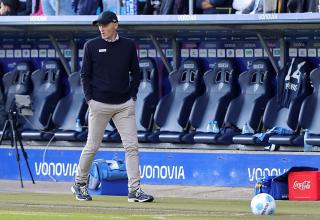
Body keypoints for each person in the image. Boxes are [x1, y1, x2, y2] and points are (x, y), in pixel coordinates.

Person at [71, 11, 154, 203]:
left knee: (132, 147)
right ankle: (79, 183)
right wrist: (90, 100)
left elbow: (136, 73)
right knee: (92, 146)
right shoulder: (91, 46)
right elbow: (84, 75)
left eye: (105, 24)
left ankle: (134, 190)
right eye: (99, 25)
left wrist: (132, 97)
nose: (101, 28)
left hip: (124, 105)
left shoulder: (128, 45)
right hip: (99, 104)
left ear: (115, 24)